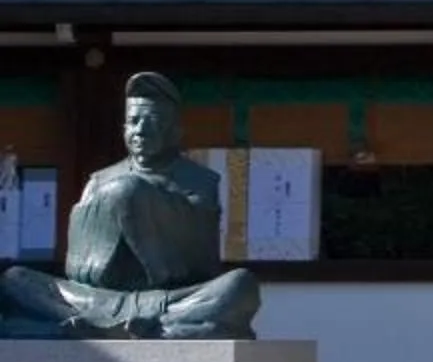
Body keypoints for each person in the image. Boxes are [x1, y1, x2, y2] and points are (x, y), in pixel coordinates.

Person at [0, 72, 260, 338]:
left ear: (175, 131)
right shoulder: (100, 181)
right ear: (124, 127)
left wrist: (138, 201)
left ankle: (105, 328)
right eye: (134, 121)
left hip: (169, 300)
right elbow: (78, 269)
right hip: (96, 301)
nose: (141, 130)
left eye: (153, 121)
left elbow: (197, 263)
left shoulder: (201, 182)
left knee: (241, 286)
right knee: (15, 280)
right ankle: (141, 328)